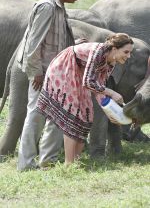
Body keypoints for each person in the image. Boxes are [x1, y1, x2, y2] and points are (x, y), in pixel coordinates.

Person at [17, 0, 89, 171]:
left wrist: (73, 45)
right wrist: (36, 73)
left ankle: (47, 161)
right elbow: (33, 44)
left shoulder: (59, 6)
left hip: (55, 72)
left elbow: (54, 39)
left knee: (56, 116)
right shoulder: (47, 7)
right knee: (36, 115)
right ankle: (26, 164)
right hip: (42, 72)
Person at [36, 33, 134, 165]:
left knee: (87, 116)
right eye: (126, 52)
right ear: (115, 49)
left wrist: (109, 111)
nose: (128, 56)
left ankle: (75, 162)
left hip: (80, 74)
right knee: (74, 114)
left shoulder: (111, 62)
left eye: (130, 53)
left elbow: (98, 87)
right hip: (65, 68)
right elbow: (89, 82)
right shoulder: (99, 51)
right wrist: (112, 93)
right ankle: (68, 164)